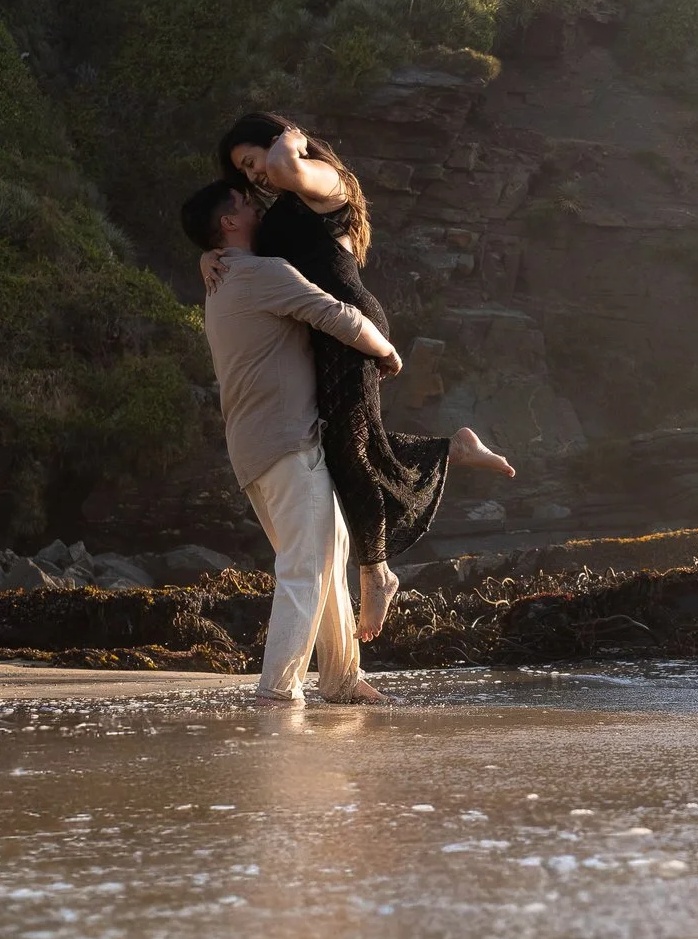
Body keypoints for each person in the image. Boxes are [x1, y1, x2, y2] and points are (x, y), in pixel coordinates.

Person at [219, 111, 514, 640]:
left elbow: (285, 168)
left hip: (349, 321)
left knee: (350, 451)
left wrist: (292, 139)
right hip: (323, 331)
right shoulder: (285, 202)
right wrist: (209, 259)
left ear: (275, 140)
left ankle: (376, 573)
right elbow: (245, 245)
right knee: (348, 446)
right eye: (244, 173)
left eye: (252, 160)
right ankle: (454, 449)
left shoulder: (323, 177)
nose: (256, 176)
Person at [181, 169, 401, 706]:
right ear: (230, 222)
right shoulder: (264, 274)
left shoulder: (223, 276)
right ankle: (278, 692)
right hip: (286, 443)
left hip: (255, 447)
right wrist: (387, 352)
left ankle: (342, 678)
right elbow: (338, 316)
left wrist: (203, 254)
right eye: (245, 202)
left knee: (329, 552)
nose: (258, 205)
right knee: (305, 565)